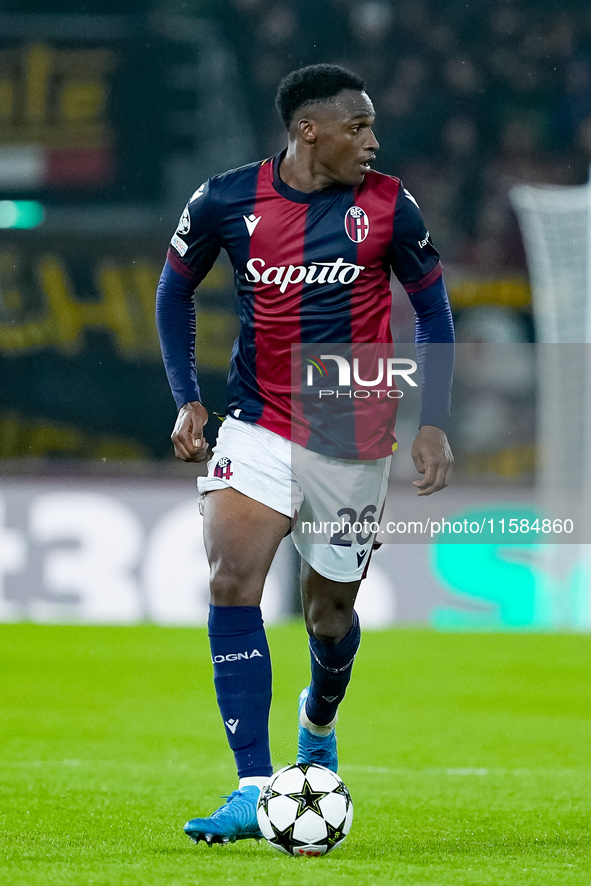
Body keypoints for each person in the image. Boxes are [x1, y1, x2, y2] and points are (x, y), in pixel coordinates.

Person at [156, 63, 454, 846]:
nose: (373, 141)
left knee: (330, 616)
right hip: (255, 424)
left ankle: (316, 723)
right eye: (358, 128)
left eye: (372, 127)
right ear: (308, 131)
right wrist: (187, 395)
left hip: (350, 436)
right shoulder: (224, 200)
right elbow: (172, 290)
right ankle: (253, 787)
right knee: (231, 583)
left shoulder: (388, 205)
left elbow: (432, 308)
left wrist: (432, 420)